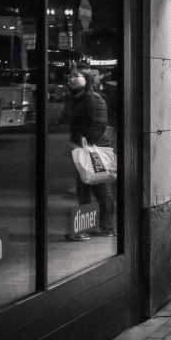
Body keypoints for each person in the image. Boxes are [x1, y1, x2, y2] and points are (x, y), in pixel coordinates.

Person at [66, 66, 116, 240]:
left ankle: (103, 227)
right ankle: (97, 227)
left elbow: (100, 124)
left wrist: (88, 142)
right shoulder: (79, 98)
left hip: (95, 149)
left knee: (100, 188)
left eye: (75, 76)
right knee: (87, 188)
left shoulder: (92, 98)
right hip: (86, 148)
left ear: (86, 79)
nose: (70, 79)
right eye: (69, 76)